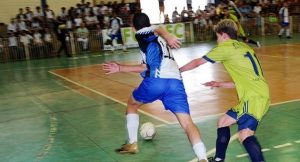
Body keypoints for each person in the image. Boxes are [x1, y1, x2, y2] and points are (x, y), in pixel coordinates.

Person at [102, 13, 208, 162]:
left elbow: (146, 67)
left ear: (133, 27)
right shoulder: (156, 38)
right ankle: (202, 158)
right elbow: (156, 32)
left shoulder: (141, 35)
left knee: (132, 104)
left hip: (157, 81)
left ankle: (132, 144)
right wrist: (167, 35)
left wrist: (120, 68)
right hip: (176, 82)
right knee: (187, 123)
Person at [179, 19, 270, 162]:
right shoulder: (244, 47)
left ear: (224, 35)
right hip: (258, 93)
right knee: (223, 122)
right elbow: (246, 79)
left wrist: (177, 72)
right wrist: (220, 84)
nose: (217, 41)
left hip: (253, 97)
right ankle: (219, 159)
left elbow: (197, 62)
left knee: (244, 135)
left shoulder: (225, 47)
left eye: (217, 37)